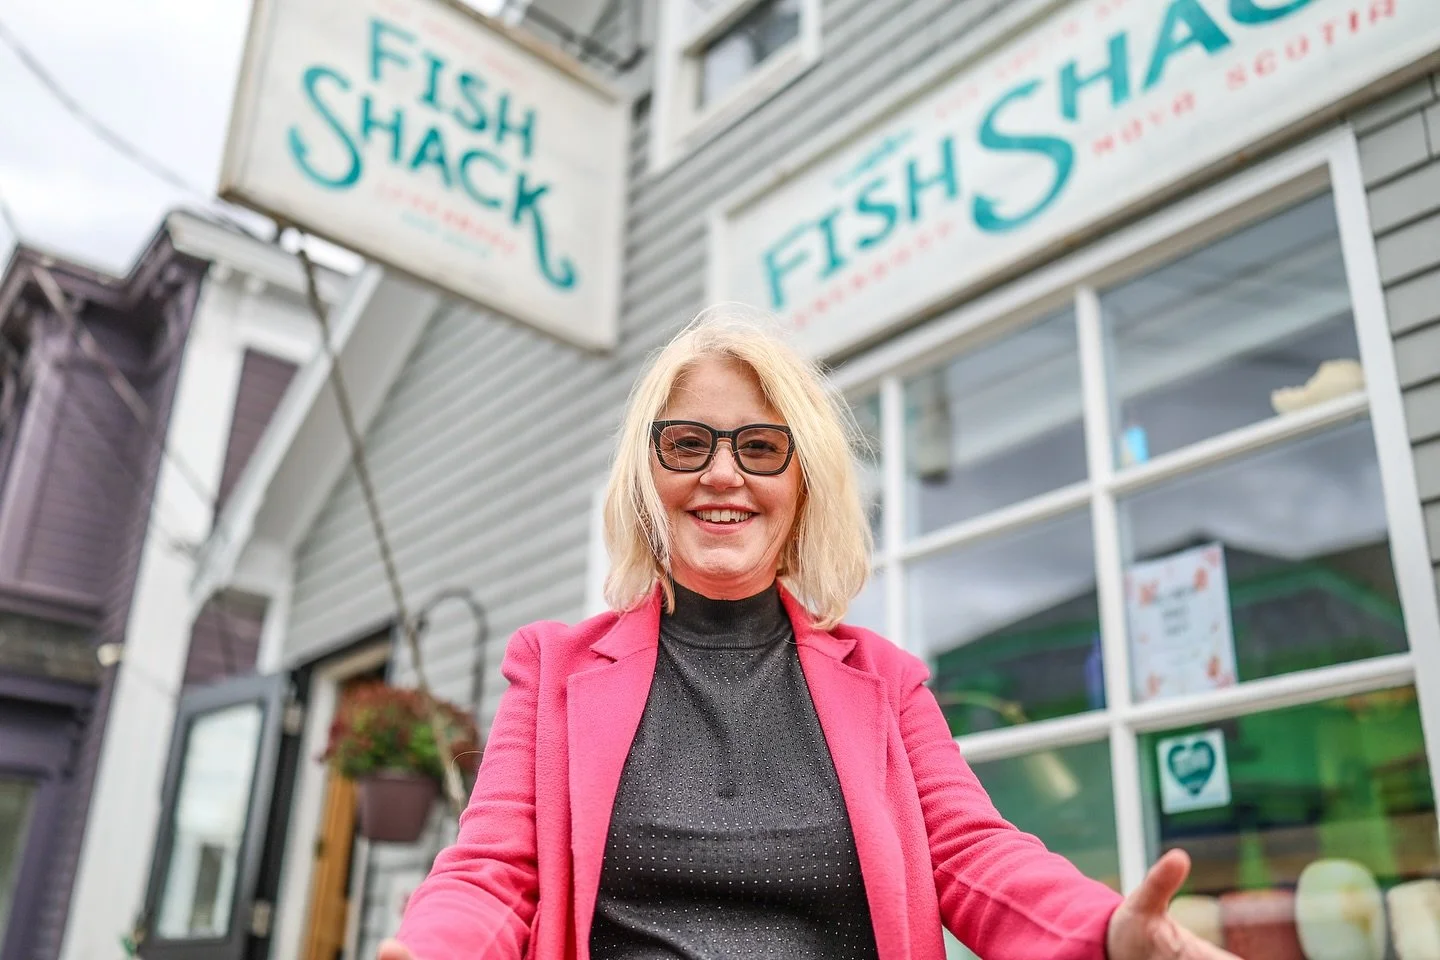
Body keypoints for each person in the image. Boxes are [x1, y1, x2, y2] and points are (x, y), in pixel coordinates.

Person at [379, 311, 1241, 960]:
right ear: (647, 475)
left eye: (761, 447)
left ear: (804, 484)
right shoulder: (553, 669)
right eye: (687, 444)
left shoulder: (887, 681)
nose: (722, 472)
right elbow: (493, 872)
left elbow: (974, 857)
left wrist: (1104, 932)